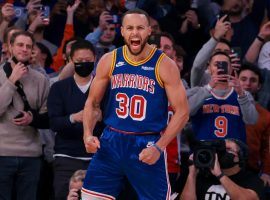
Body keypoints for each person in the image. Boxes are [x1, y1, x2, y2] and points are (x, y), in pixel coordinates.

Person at [82, 8, 189, 200]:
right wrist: (88, 134)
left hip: (145, 143)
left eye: (140, 28)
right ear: (122, 31)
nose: (135, 33)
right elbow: (92, 102)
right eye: (129, 28)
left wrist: (159, 147)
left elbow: (182, 112)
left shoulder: (164, 65)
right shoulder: (109, 60)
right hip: (112, 141)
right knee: (90, 197)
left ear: (149, 31)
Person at [47, 40, 103, 200]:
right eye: (79, 61)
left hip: (97, 157)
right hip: (66, 157)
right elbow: (54, 123)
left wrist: (101, 117)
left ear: (95, 59)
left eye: (88, 61)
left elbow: (113, 122)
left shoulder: (105, 88)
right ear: (71, 61)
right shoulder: (59, 88)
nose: (84, 64)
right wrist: (74, 118)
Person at [0, 30, 49, 200]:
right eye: (20, 45)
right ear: (10, 48)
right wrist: (11, 81)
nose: (24, 49)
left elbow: (48, 118)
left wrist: (32, 118)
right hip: (2, 153)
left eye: (29, 46)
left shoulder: (40, 79)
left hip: (31, 155)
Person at [188, 50, 258, 142]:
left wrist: (241, 94)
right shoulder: (198, 91)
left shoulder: (243, 94)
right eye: (216, 64)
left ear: (231, 69)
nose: (220, 68)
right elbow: (186, 111)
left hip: (233, 151)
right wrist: (208, 88)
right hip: (205, 150)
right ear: (209, 69)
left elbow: (252, 120)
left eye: (224, 64)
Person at [180, 139, 265, 200]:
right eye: (220, 150)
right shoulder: (204, 176)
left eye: (228, 149)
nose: (222, 153)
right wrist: (192, 174)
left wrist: (219, 175)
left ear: (240, 157)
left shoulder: (251, 180)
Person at [238, 64, 270, 188]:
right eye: (243, 79)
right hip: (222, 166)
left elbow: (267, 148)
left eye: (253, 80)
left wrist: (267, 172)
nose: (248, 83)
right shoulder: (225, 105)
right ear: (236, 80)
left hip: (251, 170)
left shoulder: (266, 116)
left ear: (259, 86)